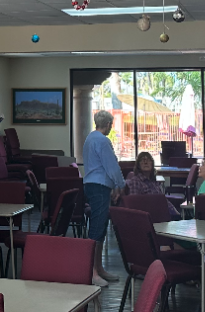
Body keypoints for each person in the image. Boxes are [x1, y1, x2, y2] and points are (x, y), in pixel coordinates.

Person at [83, 109, 125, 286]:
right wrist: (121, 184)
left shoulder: (89, 138)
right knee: (97, 228)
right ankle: (91, 272)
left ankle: (98, 268)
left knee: (99, 227)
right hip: (100, 186)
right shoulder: (102, 140)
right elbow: (112, 166)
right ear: (108, 124)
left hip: (92, 184)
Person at [124, 151, 179, 219]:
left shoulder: (153, 181)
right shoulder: (136, 181)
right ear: (138, 165)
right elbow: (134, 204)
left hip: (161, 214)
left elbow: (163, 200)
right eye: (142, 160)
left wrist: (174, 211)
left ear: (152, 164)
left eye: (148, 160)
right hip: (148, 217)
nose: (146, 162)